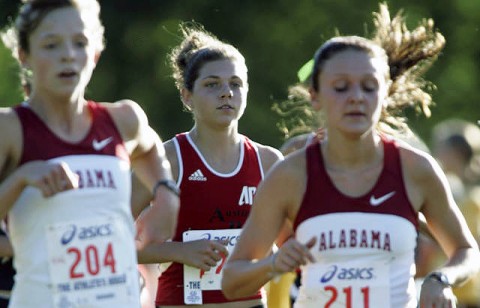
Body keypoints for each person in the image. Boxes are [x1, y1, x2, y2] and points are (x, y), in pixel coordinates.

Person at [222, 3, 480, 308]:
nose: (356, 97)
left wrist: (441, 279)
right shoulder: (290, 175)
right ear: (315, 97)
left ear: (384, 97)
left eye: (369, 87)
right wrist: (273, 263)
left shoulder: (416, 169)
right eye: (341, 87)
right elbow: (231, 281)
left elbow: (467, 251)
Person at [0, 0, 179, 307]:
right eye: (51, 44)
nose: (68, 54)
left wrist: (165, 192)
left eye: (80, 42)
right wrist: (21, 179)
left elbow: (150, 149)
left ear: (95, 54)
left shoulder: (123, 119)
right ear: (24, 55)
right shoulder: (11, 128)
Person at [136, 23, 283, 307]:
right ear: (186, 96)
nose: (226, 92)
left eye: (235, 84)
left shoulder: (269, 161)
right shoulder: (167, 160)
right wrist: (180, 251)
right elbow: (113, 242)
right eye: (212, 84)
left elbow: (292, 246)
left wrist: (269, 258)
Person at [428, 119, 480, 307]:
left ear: (456, 153)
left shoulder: (472, 200)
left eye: (442, 148)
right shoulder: (456, 192)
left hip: (464, 294)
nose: (437, 153)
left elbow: (471, 245)